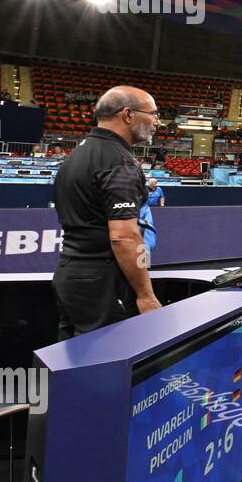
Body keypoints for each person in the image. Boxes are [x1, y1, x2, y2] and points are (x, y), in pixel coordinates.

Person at [51, 86, 162, 339]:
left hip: (71, 274)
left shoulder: (76, 156)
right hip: (102, 283)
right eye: (153, 114)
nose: (157, 122)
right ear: (128, 115)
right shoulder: (119, 162)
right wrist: (146, 295)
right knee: (108, 365)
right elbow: (123, 237)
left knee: (72, 362)